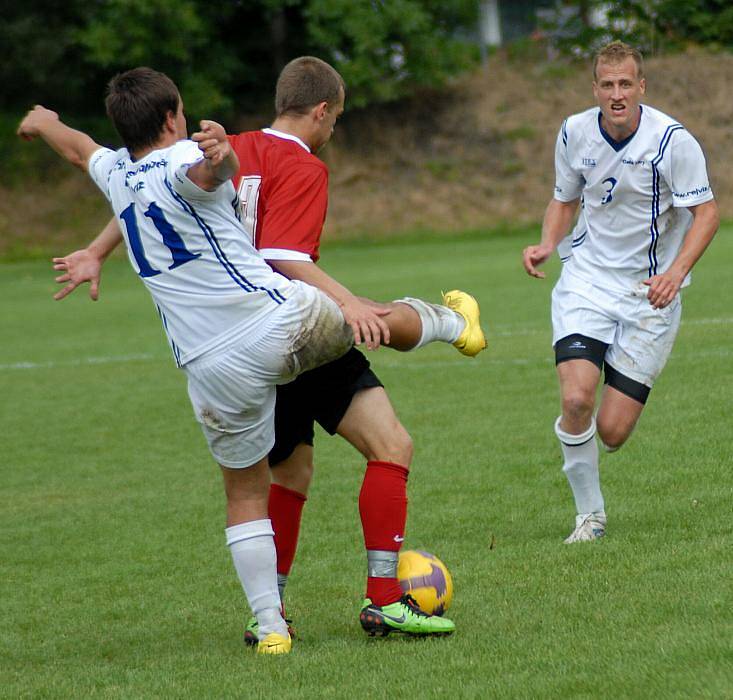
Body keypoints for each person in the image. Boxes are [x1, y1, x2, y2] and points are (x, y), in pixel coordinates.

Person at [47, 59, 486, 639]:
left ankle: (271, 615)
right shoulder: (296, 165)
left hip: (222, 355)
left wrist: (97, 250)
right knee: (389, 434)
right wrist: (348, 302)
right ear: (323, 111)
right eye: (338, 118)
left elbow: (144, 193)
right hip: (280, 321)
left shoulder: (232, 146)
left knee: (288, 477)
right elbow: (283, 255)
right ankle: (450, 324)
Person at [17, 67, 358, 656]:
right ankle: (442, 322)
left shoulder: (117, 171)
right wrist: (221, 156)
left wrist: (44, 122)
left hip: (203, 363)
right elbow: (208, 172)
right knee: (365, 319)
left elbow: (78, 151)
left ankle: (271, 628)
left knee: (245, 494)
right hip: (269, 323)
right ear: (174, 117)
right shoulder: (182, 162)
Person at [522, 40, 719, 543]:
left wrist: (675, 273)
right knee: (576, 398)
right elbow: (563, 200)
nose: (616, 94)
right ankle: (590, 517)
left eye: (625, 84)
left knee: (611, 432)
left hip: (648, 295)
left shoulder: (672, 141)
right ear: (595, 89)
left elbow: (708, 214)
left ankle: (612, 364)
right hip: (586, 281)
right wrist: (547, 242)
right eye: (607, 85)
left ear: (641, 87)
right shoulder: (574, 132)